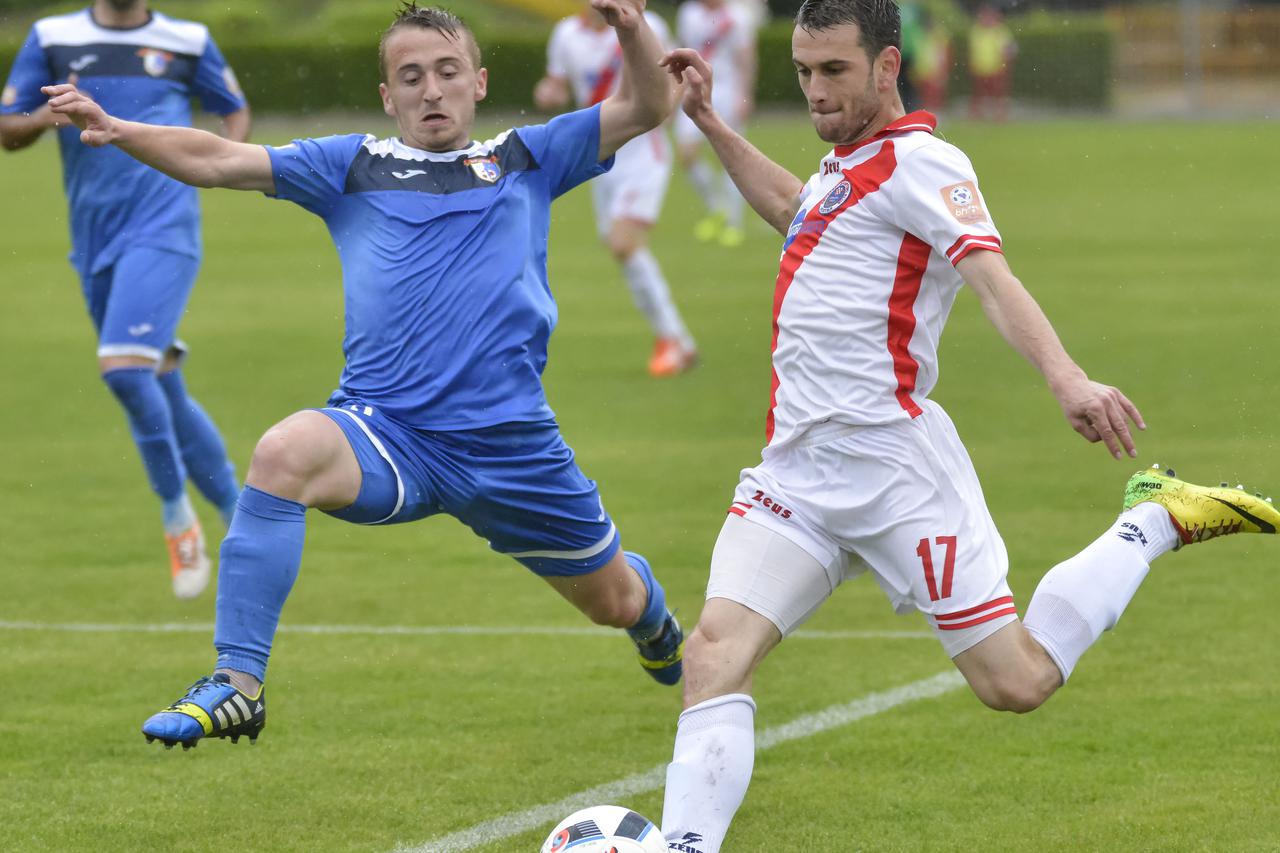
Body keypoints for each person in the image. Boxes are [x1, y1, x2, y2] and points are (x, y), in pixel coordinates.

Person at [656, 1, 1280, 849]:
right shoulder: (845, 168)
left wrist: (1067, 377)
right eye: (803, 72)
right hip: (795, 475)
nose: (815, 91)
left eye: (834, 71)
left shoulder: (923, 162)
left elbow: (991, 279)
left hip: (895, 471)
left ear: (887, 67)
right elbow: (793, 207)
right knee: (712, 656)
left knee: (1016, 681)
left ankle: (1154, 519)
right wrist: (708, 120)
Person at [45, 0, 686, 750]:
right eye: (410, 77)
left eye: (447, 72)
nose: (431, 90)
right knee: (283, 452)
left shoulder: (528, 155)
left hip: (511, 445)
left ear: (479, 82)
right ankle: (238, 683)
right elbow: (219, 160)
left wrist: (631, 27)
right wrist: (120, 129)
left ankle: (650, 615)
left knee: (613, 602)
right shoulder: (351, 165)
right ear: (388, 96)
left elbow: (648, 105)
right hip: (388, 432)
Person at [0, 0, 249, 599]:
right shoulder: (52, 35)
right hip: (94, 238)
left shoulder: (187, 39)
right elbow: (8, 128)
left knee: (125, 371)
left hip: (165, 227)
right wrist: (49, 116)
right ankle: (245, 520)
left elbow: (234, 111)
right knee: (160, 382)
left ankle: (176, 517)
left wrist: (219, 166)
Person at [535, 3, 698, 377]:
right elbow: (556, 86)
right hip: (599, 156)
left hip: (643, 153)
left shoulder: (647, 24)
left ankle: (674, 340)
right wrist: (548, 93)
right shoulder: (566, 34)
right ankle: (677, 340)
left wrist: (663, 111)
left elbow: (676, 78)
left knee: (625, 243)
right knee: (620, 248)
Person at [675, 0, 758, 248]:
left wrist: (745, 95)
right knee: (686, 154)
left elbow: (746, 56)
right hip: (695, 88)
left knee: (731, 157)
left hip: (727, 91)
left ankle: (734, 223)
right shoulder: (689, 13)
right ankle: (717, 206)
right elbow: (682, 53)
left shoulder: (737, 16)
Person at [968, 3, 1016, 121]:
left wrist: (1005, 65)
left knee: (998, 93)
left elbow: (1008, 49)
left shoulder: (1001, 31)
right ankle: (977, 115)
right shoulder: (976, 31)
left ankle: (999, 115)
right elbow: (973, 49)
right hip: (980, 68)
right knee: (978, 93)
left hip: (996, 68)